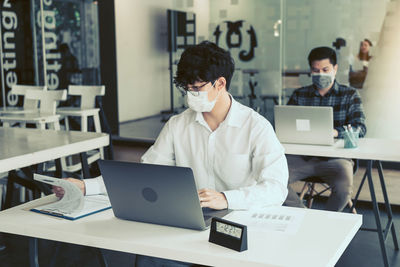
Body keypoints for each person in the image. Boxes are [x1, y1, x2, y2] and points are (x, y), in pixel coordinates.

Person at [54, 41, 289, 266]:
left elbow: (276, 188)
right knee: (149, 256)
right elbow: (145, 173)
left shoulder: (255, 127)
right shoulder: (178, 125)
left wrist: (227, 198)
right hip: (187, 225)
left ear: (220, 84)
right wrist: (87, 187)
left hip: (237, 225)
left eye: (197, 88)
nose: (191, 95)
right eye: (187, 89)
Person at [284, 46, 367, 212]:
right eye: (315, 70)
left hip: (336, 159)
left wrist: (336, 133)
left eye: (325, 69)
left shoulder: (349, 95)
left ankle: (326, 220)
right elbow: (286, 126)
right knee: (272, 178)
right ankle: (304, 217)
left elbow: (360, 128)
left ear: (335, 69)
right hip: (302, 157)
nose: (320, 74)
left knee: (343, 190)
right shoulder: (300, 95)